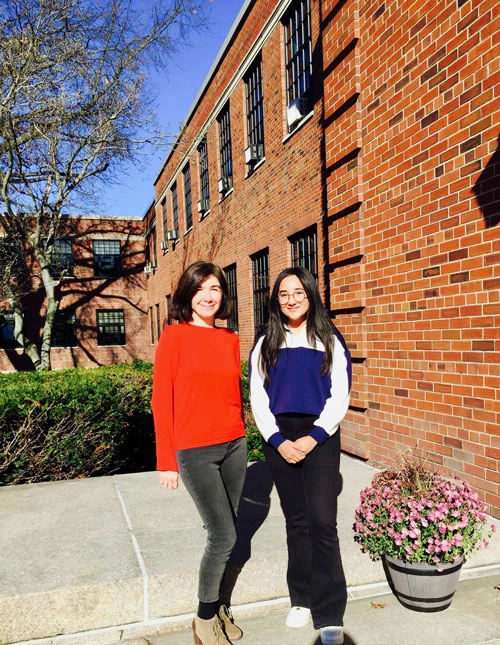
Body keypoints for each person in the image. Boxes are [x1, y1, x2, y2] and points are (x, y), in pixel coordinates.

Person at [249, 266, 351, 645]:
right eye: (283, 295)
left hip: (320, 436)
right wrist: (277, 440)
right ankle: (302, 599)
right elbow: (258, 397)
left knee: (323, 523)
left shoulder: (329, 338)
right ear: (276, 300)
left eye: (298, 293)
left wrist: (314, 437)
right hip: (280, 437)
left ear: (310, 295)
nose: (291, 300)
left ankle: (329, 612)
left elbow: (340, 395)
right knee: (296, 521)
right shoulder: (266, 341)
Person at [151, 261, 247, 645]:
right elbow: (162, 400)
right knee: (222, 535)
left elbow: (231, 395)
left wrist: (242, 435)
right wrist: (166, 461)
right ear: (188, 294)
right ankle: (204, 616)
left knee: (230, 531)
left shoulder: (230, 338)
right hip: (194, 450)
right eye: (201, 288)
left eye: (216, 289)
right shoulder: (174, 336)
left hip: (234, 444)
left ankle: (221, 606)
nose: (209, 296)